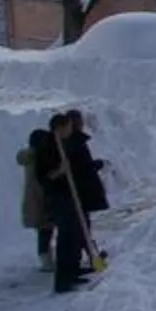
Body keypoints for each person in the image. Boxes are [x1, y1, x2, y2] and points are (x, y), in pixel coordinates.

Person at [45, 113, 99, 293]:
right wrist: (59, 172)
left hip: (72, 197)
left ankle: (73, 271)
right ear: (59, 128)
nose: (71, 129)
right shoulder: (50, 147)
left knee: (75, 237)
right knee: (67, 240)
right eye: (67, 126)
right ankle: (63, 280)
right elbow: (44, 177)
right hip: (61, 199)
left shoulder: (65, 144)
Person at [18, 128, 57, 270]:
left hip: (33, 199)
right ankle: (47, 260)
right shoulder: (39, 157)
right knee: (45, 230)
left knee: (44, 231)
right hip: (40, 198)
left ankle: (46, 259)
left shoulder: (29, 157)